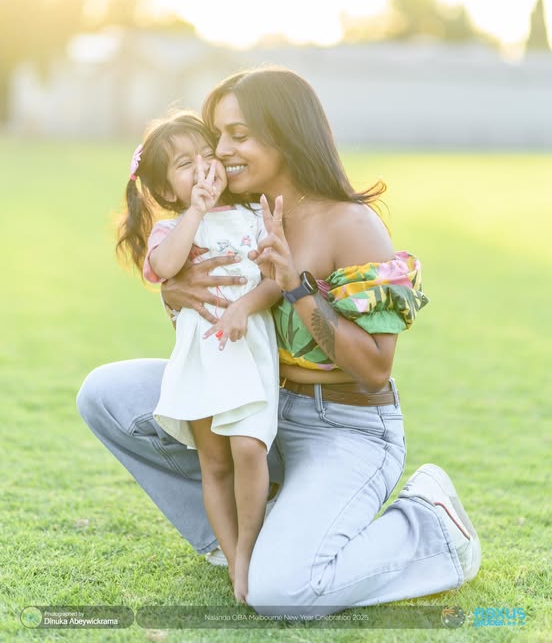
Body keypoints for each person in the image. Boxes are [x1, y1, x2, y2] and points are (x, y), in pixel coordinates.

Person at [78, 67, 481, 617]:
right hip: (261, 403)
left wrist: (294, 287)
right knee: (105, 393)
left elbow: (375, 371)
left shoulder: (351, 225)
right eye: (219, 135)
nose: (221, 151)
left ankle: (429, 528)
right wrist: (174, 292)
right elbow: (203, 302)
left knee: (281, 593)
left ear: (286, 135)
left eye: (238, 136)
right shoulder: (238, 217)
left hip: (345, 428)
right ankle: (237, 546)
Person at [115, 111, 281, 602]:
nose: (205, 167)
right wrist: (197, 211)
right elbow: (163, 269)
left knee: (249, 449)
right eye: (186, 164)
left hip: (249, 353)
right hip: (203, 360)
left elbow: (275, 281)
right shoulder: (174, 229)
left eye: (208, 154)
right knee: (216, 463)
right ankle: (234, 562)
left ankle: (250, 549)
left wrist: (245, 308)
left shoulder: (254, 217)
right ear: (168, 191)